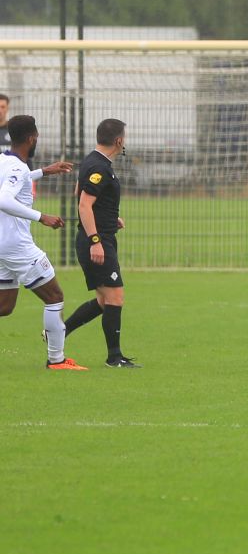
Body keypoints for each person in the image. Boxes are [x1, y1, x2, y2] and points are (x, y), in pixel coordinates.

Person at [0, 115, 87, 370]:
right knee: (55, 296)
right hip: (17, 246)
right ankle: (57, 360)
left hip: (2, 245)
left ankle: (57, 360)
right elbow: (3, 199)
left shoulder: (5, 160)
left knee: (4, 306)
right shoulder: (17, 168)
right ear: (32, 138)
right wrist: (42, 217)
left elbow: (15, 180)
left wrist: (44, 171)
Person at [62, 118, 140, 368]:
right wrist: (95, 240)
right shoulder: (101, 167)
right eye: (124, 137)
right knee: (115, 298)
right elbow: (84, 203)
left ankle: (58, 333)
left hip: (99, 237)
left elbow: (80, 192)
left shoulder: (92, 161)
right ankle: (114, 357)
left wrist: (109, 217)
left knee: (103, 301)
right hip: (96, 242)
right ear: (118, 140)